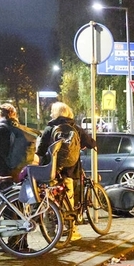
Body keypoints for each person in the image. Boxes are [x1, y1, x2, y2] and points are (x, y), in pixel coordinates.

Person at [36, 102, 96, 241]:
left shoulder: (50, 128)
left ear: (55, 113)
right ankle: (72, 231)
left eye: (52, 111)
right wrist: (82, 146)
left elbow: (41, 150)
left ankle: (50, 232)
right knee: (69, 198)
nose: (51, 113)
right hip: (70, 170)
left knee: (49, 199)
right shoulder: (75, 128)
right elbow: (91, 143)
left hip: (52, 170)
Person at [0, 103, 38, 196]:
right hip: (18, 171)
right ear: (14, 115)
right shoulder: (21, 130)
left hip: (0, 170)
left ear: (0, 115)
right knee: (15, 199)